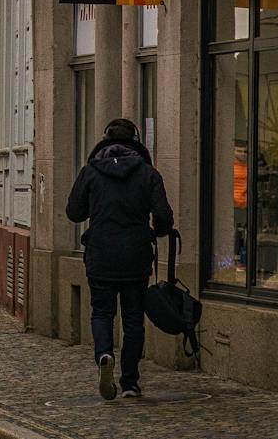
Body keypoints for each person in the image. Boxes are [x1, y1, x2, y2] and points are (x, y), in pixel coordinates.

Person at [65, 117, 174, 401]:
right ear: (135, 142)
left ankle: (103, 354)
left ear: (105, 141)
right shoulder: (148, 174)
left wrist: (96, 206)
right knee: (133, 319)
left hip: (101, 253)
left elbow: (73, 212)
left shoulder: (91, 171)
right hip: (136, 256)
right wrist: (156, 231)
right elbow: (163, 216)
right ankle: (130, 382)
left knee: (101, 312)